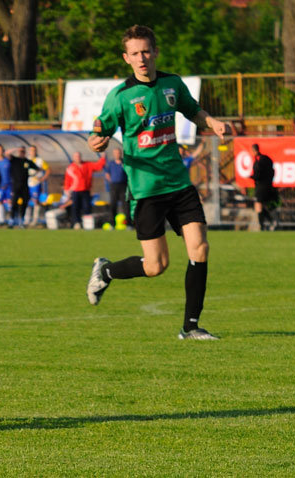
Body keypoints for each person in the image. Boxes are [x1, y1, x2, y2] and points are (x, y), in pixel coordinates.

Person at [86, 25, 227, 340]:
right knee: (155, 266)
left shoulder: (172, 84)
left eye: (146, 51)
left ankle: (190, 327)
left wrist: (212, 121)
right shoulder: (120, 97)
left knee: (200, 247)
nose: (142, 58)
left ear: (155, 52)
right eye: (135, 53)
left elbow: (193, 111)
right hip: (146, 190)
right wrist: (96, 142)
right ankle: (106, 270)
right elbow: (99, 132)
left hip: (178, 183)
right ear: (126, 58)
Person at [65, 152, 105, 229]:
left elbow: (98, 166)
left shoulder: (87, 164)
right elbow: (67, 180)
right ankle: (76, 223)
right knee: (75, 207)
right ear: (73, 158)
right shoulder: (70, 168)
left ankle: (87, 223)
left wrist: (103, 158)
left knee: (87, 207)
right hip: (75, 191)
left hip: (85, 190)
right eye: (76, 156)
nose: (78, 158)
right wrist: (67, 190)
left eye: (79, 156)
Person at [7, 146, 39, 228]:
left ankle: (21, 220)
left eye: (23, 151)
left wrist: (34, 174)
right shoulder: (15, 160)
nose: (22, 153)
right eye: (20, 151)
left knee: (24, 203)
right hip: (15, 186)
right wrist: (15, 149)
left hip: (25, 186)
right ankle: (11, 220)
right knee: (14, 203)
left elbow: (37, 169)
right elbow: (7, 153)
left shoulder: (27, 162)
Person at [250, 143, 277, 231]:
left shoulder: (259, 161)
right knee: (260, 205)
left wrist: (251, 177)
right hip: (267, 185)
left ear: (254, 151)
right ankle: (267, 223)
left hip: (261, 186)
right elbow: (273, 171)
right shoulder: (267, 159)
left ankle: (265, 224)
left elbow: (258, 174)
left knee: (258, 205)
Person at [104, 148, 130, 227]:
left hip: (123, 185)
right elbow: (107, 174)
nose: (117, 154)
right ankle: (112, 223)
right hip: (114, 186)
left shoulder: (124, 163)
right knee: (113, 204)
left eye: (118, 153)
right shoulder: (111, 163)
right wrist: (111, 180)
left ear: (121, 154)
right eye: (115, 153)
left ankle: (129, 224)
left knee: (125, 205)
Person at [26, 145, 50, 226]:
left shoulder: (40, 161)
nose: (32, 152)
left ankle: (35, 219)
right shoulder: (27, 160)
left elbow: (48, 169)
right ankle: (26, 219)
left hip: (36, 183)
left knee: (36, 201)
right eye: (31, 150)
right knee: (27, 201)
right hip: (27, 182)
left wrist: (43, 178)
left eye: (34, 150)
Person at [0, 145, 12, 225]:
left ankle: (11, 219)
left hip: (8, 185)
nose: (0, 151)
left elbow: (12, 173)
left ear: (3, 151)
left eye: (1, 150)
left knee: (9, 202)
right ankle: (1, 220)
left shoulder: (7, 161)